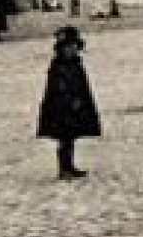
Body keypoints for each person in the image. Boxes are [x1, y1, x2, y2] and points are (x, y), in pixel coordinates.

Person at [36, 25, 101, 180]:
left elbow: (80, 84)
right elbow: (60, 87)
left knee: (71, 137)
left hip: (73, 107)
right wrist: (70, 100)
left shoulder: (75, 64)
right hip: (61, 109)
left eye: (74, 47)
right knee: (64, 138)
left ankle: (69, 166)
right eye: (69, 47)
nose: (72, 50)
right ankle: (64, 169)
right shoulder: (59, 66)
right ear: (62, 49)